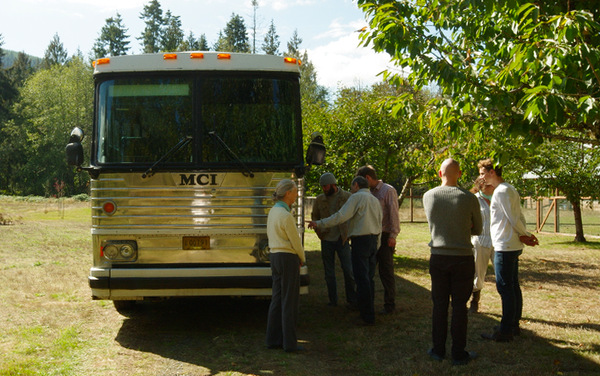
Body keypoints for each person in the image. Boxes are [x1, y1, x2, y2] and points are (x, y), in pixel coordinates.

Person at [423, 158, 482, 365]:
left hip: (438, 256)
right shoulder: (469, 198)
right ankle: (458, 353)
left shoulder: (428, 196)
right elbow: (478, 229)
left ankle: (438, 350)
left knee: (439, 305)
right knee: (459, 306)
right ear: (459, 174)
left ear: (439, 174)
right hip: (462, 258)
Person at [308, 176, 383, 325]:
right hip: (373, 240)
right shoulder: (375, 200)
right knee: (369, 278)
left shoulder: (356, 198)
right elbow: (380, 222)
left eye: (352, 186)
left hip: (360, 241)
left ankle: (366, 316)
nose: (351, 188)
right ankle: (369, 310)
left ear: (356, 185)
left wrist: (320, 223)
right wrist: (377, 244)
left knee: (361, 279)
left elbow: (341, 217)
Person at [478, 159, 538, 342]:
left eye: (482, 173)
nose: (481, 177)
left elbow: (514, 218)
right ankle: (513, 325)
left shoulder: (502, 191)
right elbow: (517, 216)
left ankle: (505, 331)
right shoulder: (509, 189)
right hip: (511, 244)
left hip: (505, 246)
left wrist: (525, 234)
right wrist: (523, 234)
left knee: (505, 288)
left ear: (491, 173)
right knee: (512, 285)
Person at [266, 179, 306, 352]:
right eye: (295, 192)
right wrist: (301, 257)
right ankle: (289, 344)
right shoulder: (286, 215)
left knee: (277, 298)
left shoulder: (273, 212)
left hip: (274, 256)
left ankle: (272, 340)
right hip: (287, 258)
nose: (297, 195)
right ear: (287, 193)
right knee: (290, 301)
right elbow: (295, 241)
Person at [356, 165, 400, 314]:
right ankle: (367, 304)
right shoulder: (367, 192)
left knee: (386, 271)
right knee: (368, 271)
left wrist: (393, 236)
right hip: (371, 236)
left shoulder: (388, 190)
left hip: (386, 235)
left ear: (368, 178)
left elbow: (393, 214)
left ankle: (389, 304)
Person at [311, 172, 357, 307]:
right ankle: (333, 300)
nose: (324, 189)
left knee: (348, 271)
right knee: (329, 272)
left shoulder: (348, 197)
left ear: (333, 184)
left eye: (326, 186)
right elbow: (315, 217)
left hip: (342, 239)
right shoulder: (319, 199)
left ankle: (352, 299)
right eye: (322, 187)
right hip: (326, 239)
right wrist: (318, 232)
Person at [469, 178, 496, 313]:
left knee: (502, 274)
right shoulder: (474, 199)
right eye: (488, 185)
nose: (492, 187)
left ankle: (507, 305)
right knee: (478, 273)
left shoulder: (499, 198)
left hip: (498, 242)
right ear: (481, 185)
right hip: (480, 240)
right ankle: (475, 300)